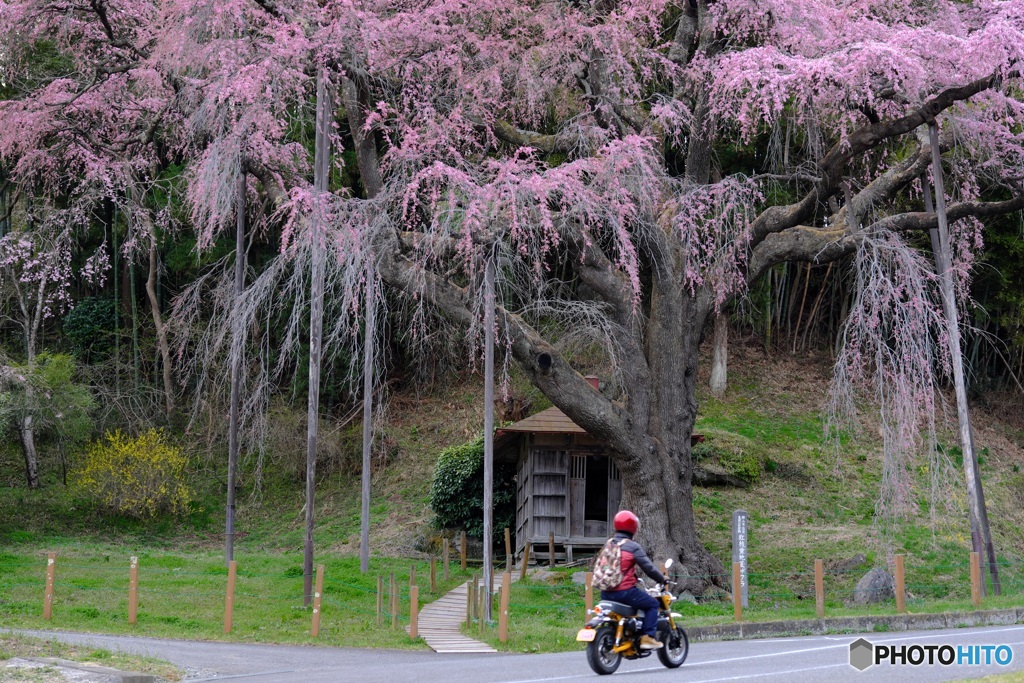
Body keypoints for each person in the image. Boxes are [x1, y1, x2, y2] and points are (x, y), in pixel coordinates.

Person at [600, 509, 667, 650]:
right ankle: (647, 637)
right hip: (624, 593)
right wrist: (662, 579)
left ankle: (628, 633)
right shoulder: (632, 546)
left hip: (605, 592)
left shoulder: (609, 544)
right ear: (633, 527)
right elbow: (649, 568)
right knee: (652, 604)